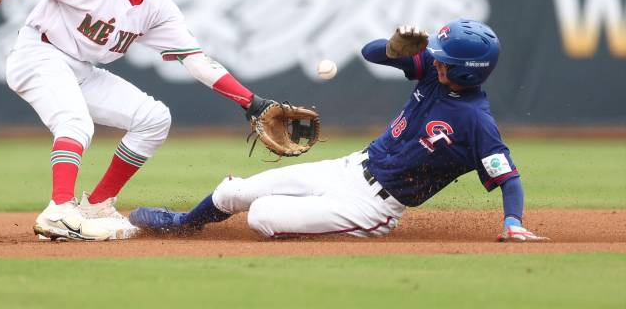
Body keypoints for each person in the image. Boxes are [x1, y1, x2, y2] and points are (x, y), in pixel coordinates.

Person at [0, 0, 275, 241]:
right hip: (38, 53)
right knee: (74, 123)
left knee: (153, 118)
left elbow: (197, 61)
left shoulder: (157, 6)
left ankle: (96, 205)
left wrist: (251, 102)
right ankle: (59, 211)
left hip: (81, 69)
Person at [129, 19, 548, 242]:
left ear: (466, 71)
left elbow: (508, 176)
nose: (434, 60)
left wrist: (513, 222)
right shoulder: (433, 76)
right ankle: (185, 223)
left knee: (261, 216)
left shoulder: (477, 122)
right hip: (348, 168)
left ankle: (308, 223)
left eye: (444, 59)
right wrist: (392, 49)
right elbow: (370, 53)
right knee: (233, 193)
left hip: (372, 209)